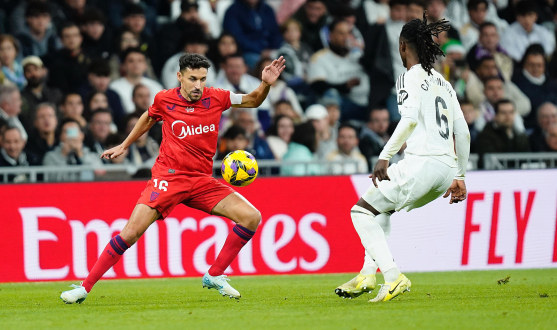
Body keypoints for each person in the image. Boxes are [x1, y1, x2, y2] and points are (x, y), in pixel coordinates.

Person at [59, 53, 286, 304]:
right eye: (192, 79)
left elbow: (254, 100)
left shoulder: (218, 97)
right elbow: (148, 116)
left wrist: (265, 84)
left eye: (202, 79)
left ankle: (215, 274)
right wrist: (125, 144)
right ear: (180, 77)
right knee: (131, 232)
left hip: (201, 181)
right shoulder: (164, 99)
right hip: (168, 179)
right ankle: (84, 287)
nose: (198, 85)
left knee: (252, 217)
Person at [335, 13, 470, 303]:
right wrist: (460, 175)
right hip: (445, 169)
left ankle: (393, 276)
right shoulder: (443, 83)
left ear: (402, 46)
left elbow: (408, 120)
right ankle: (366, 274)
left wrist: (385, 156)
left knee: (359, 212)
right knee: (377, 209)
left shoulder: (409, 76)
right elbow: (464, 131)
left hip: (422, 163)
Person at [308, 20, 370, 121]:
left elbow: (376, 70)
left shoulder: (358, 54)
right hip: (343, 104)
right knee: (331, 93)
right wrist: (344, 87)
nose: (345, 37)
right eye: (341, 33)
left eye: (348, 33)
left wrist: (364, 53)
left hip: (367, 102)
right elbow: (317, 86)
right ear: (330, 36)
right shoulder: (319, 58)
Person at [223, 0, 283, 68]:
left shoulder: (267, 9)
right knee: (261, 65)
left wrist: (273, 49)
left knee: (285, 57)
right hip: (248, 52)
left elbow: (275, 33)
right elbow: (236, 37)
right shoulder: (232, 11)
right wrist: (260, 50)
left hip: (270, 50)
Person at [512, 45, 557, 129]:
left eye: (539, 65)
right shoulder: (516, 82)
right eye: (531, 65)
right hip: (530, 128)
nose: (535, 68)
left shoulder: (552, 84)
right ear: (524, 64)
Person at [109, 48, 163, 113]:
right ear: (123, 65)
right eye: (131, 61)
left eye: (140, 61)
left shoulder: (156, 87)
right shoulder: (114, 88)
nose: (135, 64)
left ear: (145, 65)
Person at [43, 22, 90, 94]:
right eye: (67, 36)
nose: (71, 40)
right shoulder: (54, 60)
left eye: (75, 35)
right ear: (61, 40)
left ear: (81, 38)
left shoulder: (90, 58)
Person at [19, 56, 62, 124]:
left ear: (43, 71)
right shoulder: (21, 98)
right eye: (28, 71)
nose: (33, 74)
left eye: (36, 69)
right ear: (24, 74)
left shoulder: (55, 94)